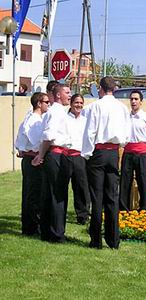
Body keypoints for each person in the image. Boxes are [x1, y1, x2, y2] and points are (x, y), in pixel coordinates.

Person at [81, 76, 130, 249]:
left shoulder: (95, 106)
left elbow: (90, 132)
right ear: (114, 89)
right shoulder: (122, 108)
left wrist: (86, 154)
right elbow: (127, 132)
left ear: (101, 89)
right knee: (112, 196)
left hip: (99, 152)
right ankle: (113, 239)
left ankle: (96, 240)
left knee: (97, 197)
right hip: (113, 152)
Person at [32, 83, 72, 243]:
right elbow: (48, 136)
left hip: (56, 154)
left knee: (49, 194)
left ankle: (47, 231)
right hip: (55, 155)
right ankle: (56, 233)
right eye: (67, 92)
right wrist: (40, 155)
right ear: (57, 95)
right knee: (58, 194)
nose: (70, 95)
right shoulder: (55, 112)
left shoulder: (57, 112)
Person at [15, 92, 50, 235]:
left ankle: (30, 226)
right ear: (39, 104)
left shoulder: (31, 119)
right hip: (33, 159)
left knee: (32, 193)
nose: (48, 104)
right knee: (34, 194)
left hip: (30, 158)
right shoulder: (35, 121)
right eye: (46, 102)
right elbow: (38, 142)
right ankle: (32, 227)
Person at [119, 89, 146, 212]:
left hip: (141, 153)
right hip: (128, 153)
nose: (133, 101)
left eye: (136, 99)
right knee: (125, 181)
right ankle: (123, 208)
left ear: (141, 102)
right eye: (131, 99)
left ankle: (144, 208)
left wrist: (145, 149)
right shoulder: (125, 118)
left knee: (143, 181)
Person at [63, 94, 91, 225]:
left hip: (80, 157)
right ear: (71, 103)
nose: (78, 105)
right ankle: (59, 214)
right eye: (76, 102)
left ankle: (82, 215)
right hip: (65, 156)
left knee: (81, 187)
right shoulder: (64, 119)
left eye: (81, 103)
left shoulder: (86, 121)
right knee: (61, 187)